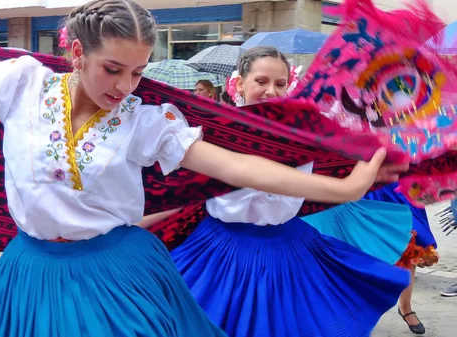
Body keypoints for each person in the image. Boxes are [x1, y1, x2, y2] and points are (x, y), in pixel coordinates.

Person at [0, 1, 407, 335]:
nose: (124, 87)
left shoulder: (147, 122)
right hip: (26, 269)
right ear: (76, 53)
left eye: (138, 72)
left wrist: (343, 187)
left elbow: (237, 166)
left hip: (115, 272)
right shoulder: (20, 83)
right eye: (112, 69)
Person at [140, 46, 413, 337]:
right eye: (261, 81)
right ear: (239, 84)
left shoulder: (305, 134)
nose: (271, 91)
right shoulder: (209, 132)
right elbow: (179, 193)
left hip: (290, 251)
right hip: (219, 253)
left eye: (280, 84)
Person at [363, 183, 439, 335]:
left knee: (411, 245)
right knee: (366, 249)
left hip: (401, 184)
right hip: (368, 184)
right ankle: (363, 310)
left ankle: (405, 307)